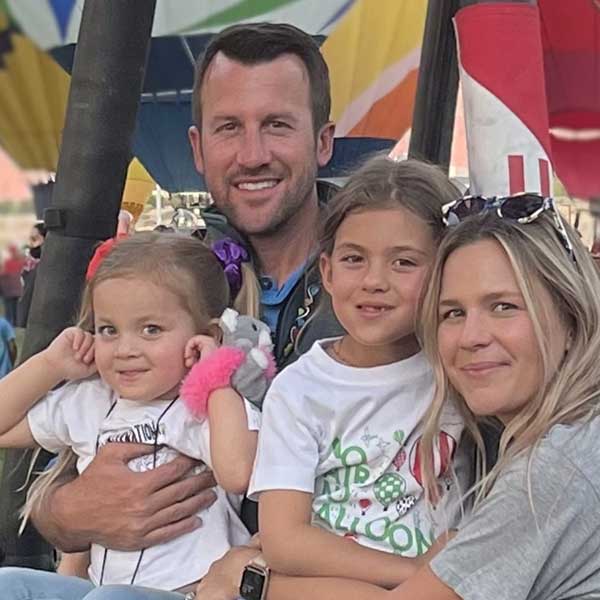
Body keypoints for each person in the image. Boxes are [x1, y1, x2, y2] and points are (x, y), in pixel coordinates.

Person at [28, 21, 341, 561]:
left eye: (277, 125)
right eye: (228, 128)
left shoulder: (379, 288)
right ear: (197, 147)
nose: (252, 154)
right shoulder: (164, 279)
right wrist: (66, 513)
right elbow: (72, 441)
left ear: (323, 141)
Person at [209, 197, 600, 599]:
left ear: (571, 317)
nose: (472, 337)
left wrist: (250, 580)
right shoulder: (567, 437)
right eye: (453, 313)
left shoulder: (557, 468)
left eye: (504, 306)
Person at [243, 155, 467, 592]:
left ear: (446, 270)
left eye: (404, 262)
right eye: (353, 259)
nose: (374, 281)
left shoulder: (459, 369)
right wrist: (414, 572)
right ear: (326, 272)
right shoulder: (301, 390)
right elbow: (284, 540)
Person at [0, 232, 264, 597]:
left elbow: (238, 474)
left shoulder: (210, 407)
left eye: (151, 330)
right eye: (108, 330)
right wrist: (50, 364)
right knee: (9, 584)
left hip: (190, 591)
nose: (125, 349)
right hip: (104, 589)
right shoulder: (91, 401)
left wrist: (214, 374)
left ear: (205, 335)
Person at [17, 222, 47, 329]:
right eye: (30, 238)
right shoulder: (28, 260)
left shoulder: (42, 264)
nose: (30, 243)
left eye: (35, 239)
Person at [0, 243, 25, 326]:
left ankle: (9, 324)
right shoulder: (19, 263)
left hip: (7, 290)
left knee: (8, 309)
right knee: (15, 308)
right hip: (17, 291)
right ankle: (15, 323)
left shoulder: (6, 263)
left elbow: (2, 275)